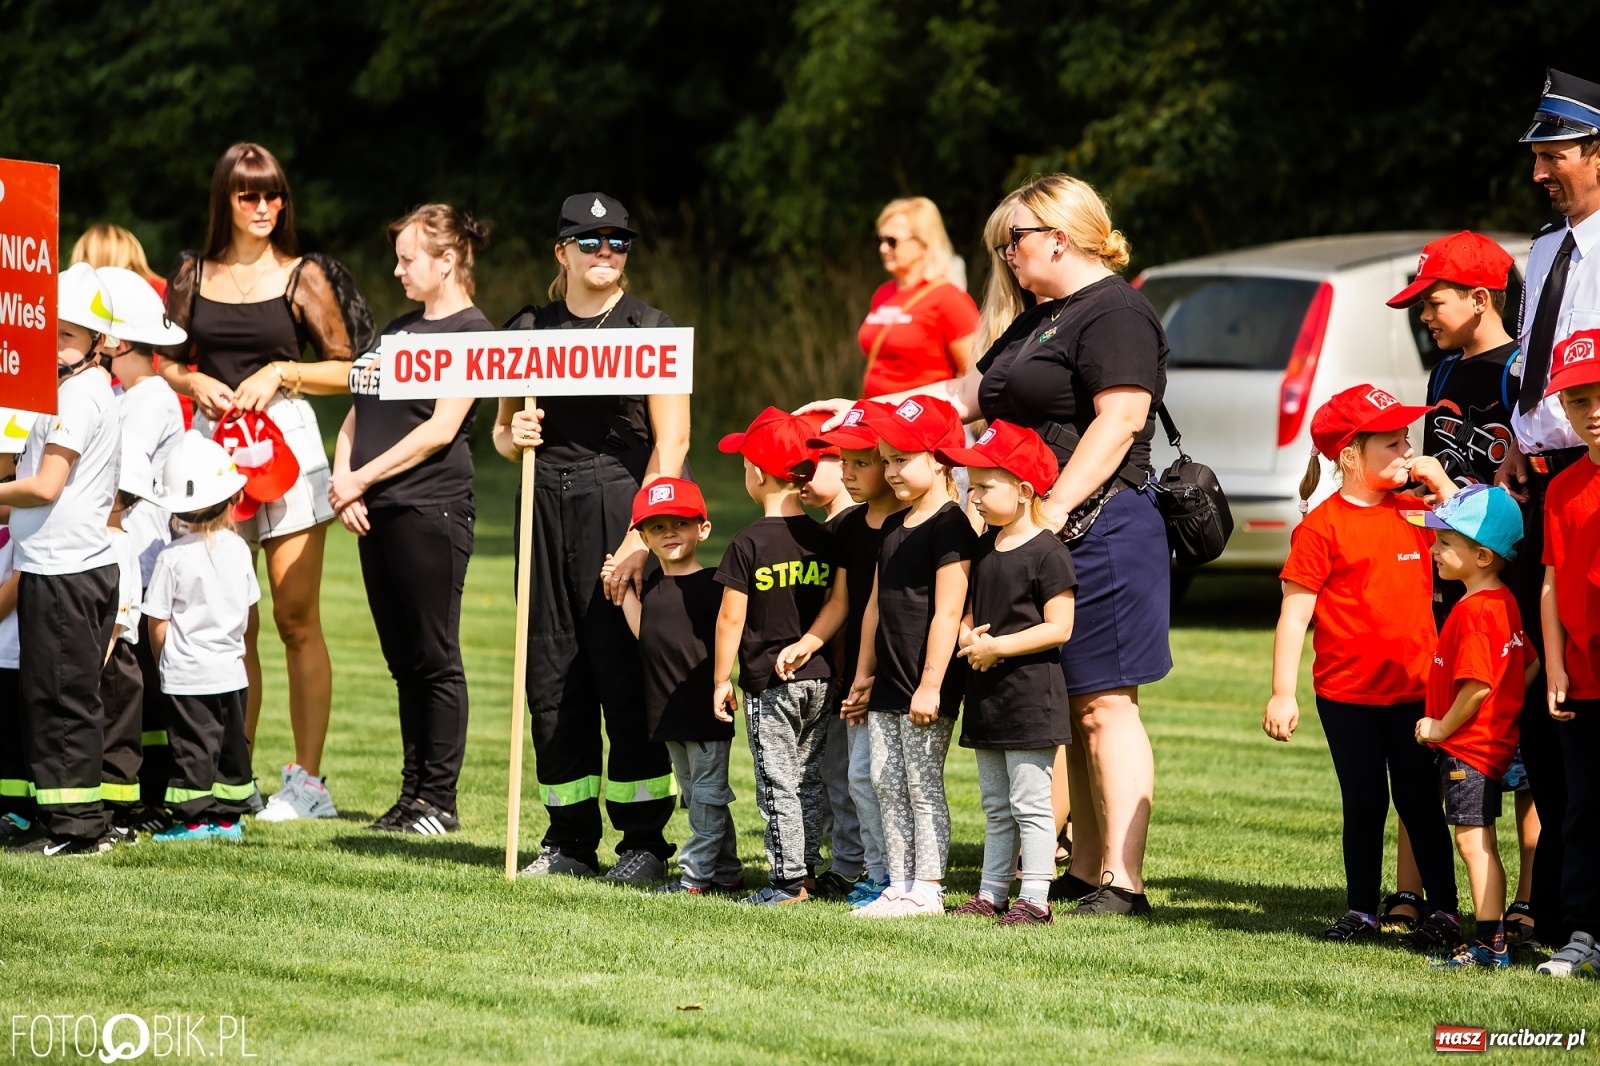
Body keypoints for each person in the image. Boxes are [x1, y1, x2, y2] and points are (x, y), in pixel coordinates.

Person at [803, 175, 1169, 915]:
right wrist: (866, 411)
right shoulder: (1042, 318)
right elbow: (967, 395)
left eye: (1015, 240)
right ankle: (1087, 869)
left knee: (1105, 707)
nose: (1005, 254)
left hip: (1101, 526)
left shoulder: (1115, 312)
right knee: (1067, 706)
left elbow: (1122, 419)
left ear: (1058, 238)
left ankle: (1125, 883)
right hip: (1037, 532)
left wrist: (1056, 505)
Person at [161, 142, 358, 822]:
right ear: (226, 199)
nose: (265, 207)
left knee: (294, 618)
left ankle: (309, 784)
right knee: (230, 623)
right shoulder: (191, 272)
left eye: (275, 195)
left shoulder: (304, 275)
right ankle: (230, 771)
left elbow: (351, 368)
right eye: (250, 195)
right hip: (213, 456)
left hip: (290, 452)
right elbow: (158, 362)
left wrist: (283, 373)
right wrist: (191, 379)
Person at [495, 192, 689, 883]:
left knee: (624, 673)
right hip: (543, 503)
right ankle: (568, 841)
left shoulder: (650, 327)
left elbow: (673, 442)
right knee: (550, 674)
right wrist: (512, 439)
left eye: (618, 242)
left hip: (622, 501)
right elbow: (501, 430)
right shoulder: (528, 327)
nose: (606, 253)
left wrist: (642, 535)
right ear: (561, 253)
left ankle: (643, 844)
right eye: (590, 242)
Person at [1263, 384, 1462, 948]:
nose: (1407, 451)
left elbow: (1479, 534)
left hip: (1416, 692)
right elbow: (1293, 617)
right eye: (1393, 443)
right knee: (1365, 801)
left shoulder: (1420, 512)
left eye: (1407, 440)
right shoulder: (1321, 527)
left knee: (1420, 800)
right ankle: (1361, 910)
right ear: (1350, 455)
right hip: (1346, 697)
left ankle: (1444, 912)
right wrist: (1283, 693)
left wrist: (1443, 485)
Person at [330, 204, 492, 837]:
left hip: (431, 510)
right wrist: (345, 484)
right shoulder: (395, 332)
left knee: (435, 656)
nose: (396, 271)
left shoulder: (472, 336)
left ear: (445, 260)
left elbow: (440, 429)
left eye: (407, 259)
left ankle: (440, 802)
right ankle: (409, 796)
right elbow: (355, 414)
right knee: (402, 661)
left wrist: (360, 480)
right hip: (376, 512)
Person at [1382, 231, 1521, 930]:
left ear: (1479, 298)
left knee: (1512, 749)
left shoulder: (1518, 371)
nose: (1424, 318)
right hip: (1446, 579)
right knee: (1430, 730)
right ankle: (1417, 892)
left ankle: (1527, 904)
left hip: (1505, 583)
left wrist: (1449, 491)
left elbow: (1519, 489)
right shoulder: (1440, 378)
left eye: (1432, 303)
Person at [1493, 68, 1600, 949]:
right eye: (1538, 157)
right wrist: (1516, 439)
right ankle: (1558, 910)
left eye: (1555, 156)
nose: (1539, 173)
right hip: (1539, 477)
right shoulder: (1542, 248)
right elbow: (1533, 362)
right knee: (1544, 692)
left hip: (1593, 472)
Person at [0, 264, 122, 856]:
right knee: (48, 696)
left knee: (65, 701)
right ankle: (61, 821)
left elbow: (46, 486)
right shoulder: (65, 389)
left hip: (68, 572)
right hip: (54, 566)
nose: (54, 345)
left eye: (69, 335)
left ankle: (79, 830)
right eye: (49, 332)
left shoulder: (81, 393)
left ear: (99, 343)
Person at [941, 422, 1077, 926]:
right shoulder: (984, 550)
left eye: (982, 486)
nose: (972, 497)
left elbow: (1059, 627)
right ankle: (991, 892)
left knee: (1030, 806)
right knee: (997, 805)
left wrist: (999, 647)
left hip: (1028, 698)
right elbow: (968, 611)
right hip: (987, 697)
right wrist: (970, 636)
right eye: (970, 486)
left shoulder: (1048, 552)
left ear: (1023, 491)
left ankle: (1035, 899)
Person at [845, 396, 973, 919]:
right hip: (888, 682)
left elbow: (947, 612)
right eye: (887, 459)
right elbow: (876, 604)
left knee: (921, 784)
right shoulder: (895, 526)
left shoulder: (951, 527)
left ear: (940, 460)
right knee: (884, 780)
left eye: (902, 459)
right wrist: (863, 674)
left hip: (926, 683)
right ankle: (898, 884)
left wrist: (931, 685)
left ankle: (929, 887)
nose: (890, 471)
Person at [1407, 485, 1538, 969]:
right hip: (1489, 741)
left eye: (1445, 542)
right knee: (1476, 838)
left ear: (1481, 555)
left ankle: (1489, 944)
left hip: (1471, 748)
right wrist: (1507, 709)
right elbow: (1528, 665)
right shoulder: (1502, 602)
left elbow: (1478, 686)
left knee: (1472, 840)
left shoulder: (1477, 612)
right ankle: (1492, 939)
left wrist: (1442, 728)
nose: (1434, 550)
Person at [716, 408, 842, 906]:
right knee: (809, 780)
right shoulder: (825, 540)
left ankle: (786, 881)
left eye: (745, 466)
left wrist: (720, 678)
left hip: (771, 684)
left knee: (776, 781)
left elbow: (730, 620)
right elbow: (840, 603)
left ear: (761, 474)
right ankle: (806, 870)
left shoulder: (747, 543)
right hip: (819, 678)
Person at [611, 478, 742, 895]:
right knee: (700, 796)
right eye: (658, 527)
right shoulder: (654, 589)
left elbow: (732, 632)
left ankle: (695, 877)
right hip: (667, 714)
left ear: (703, 529)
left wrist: (725, 682)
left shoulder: (714, 584)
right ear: (644, 538)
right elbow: (646, 634)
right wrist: (621, 590)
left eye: (680, 523)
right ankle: (726, 870)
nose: (670, 533)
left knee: (707, 795)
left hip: (704, 711)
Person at [95, 266, 189, 826]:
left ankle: (136, 798)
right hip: (134, 557)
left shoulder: (149, 398)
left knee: (129, 682)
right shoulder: (133, 394)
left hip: (139, 560)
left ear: (116, 341)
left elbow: (118, 484)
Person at [807, 401, 903, 907]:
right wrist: (809, 642)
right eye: (842, 462)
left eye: (861, 462)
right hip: (854, 675)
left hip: (902, 676)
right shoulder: (846, 528)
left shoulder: (913, 523)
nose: (848, 473)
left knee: (897, 782)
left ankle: (905, 878)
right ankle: (869, 870)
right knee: (859, 779)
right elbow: (842, 602)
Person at [143, 433, 260, 842]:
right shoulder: (240, 550)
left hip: (187, 675)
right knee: (231, 746)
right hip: (232, 673)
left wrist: (164, 660)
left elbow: (157, 620)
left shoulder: (170, 557)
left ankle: (194, 821)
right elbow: (247, 609)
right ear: (231, 501)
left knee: (193, 745)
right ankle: (228, 820)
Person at [1532, 329, 1600, 976]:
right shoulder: (1562, 489)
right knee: (1583, 812)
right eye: (1579, 400)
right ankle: (1583, 934)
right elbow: (1551, 582)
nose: (1594, 411)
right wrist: (1553, 663)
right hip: (1580, 679)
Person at [795, 412, 863, 897]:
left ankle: (852, 864)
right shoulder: (826, 529)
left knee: (847, 776)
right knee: (830, 772)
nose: (797, 474)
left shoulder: (853, 527)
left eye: (810, 463)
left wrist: (841, 668)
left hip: (852, 675)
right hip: (830, 674)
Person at [858, 198, 979, 399]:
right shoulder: (883, 294)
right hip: (873, 418)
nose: (883, 249)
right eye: (880, 240)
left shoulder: (949, 298)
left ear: (923, 244)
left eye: (892, 241)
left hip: (919, 421)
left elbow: (974, 373)